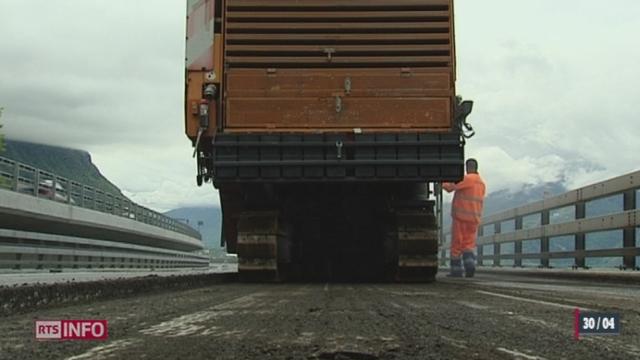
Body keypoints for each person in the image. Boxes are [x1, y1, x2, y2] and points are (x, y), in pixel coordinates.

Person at [442, 158, 486, 278]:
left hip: (461, 217)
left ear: (467, 167)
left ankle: (456, 271)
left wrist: (441, 181)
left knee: (457, 244)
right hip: (474, 218)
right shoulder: (481, 183)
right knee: (468, 244)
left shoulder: (467, 178)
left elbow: (450, 187)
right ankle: (470, 265)